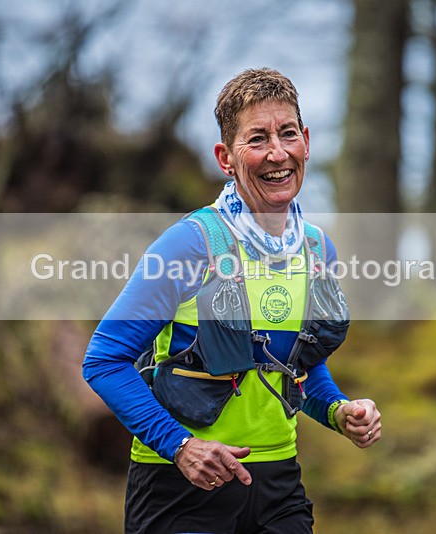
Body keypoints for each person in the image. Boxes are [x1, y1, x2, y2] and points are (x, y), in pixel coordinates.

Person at [83, 67, 381, 534]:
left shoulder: (318, 249)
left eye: (287, 134)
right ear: (226, 157)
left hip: (278, 487)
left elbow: (296, 364)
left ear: (306, 140)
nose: (277, 153)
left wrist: (338, 411)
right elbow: (103, 361)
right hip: (180, 489)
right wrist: (181, 446)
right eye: (257, 139)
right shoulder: (189, 244)